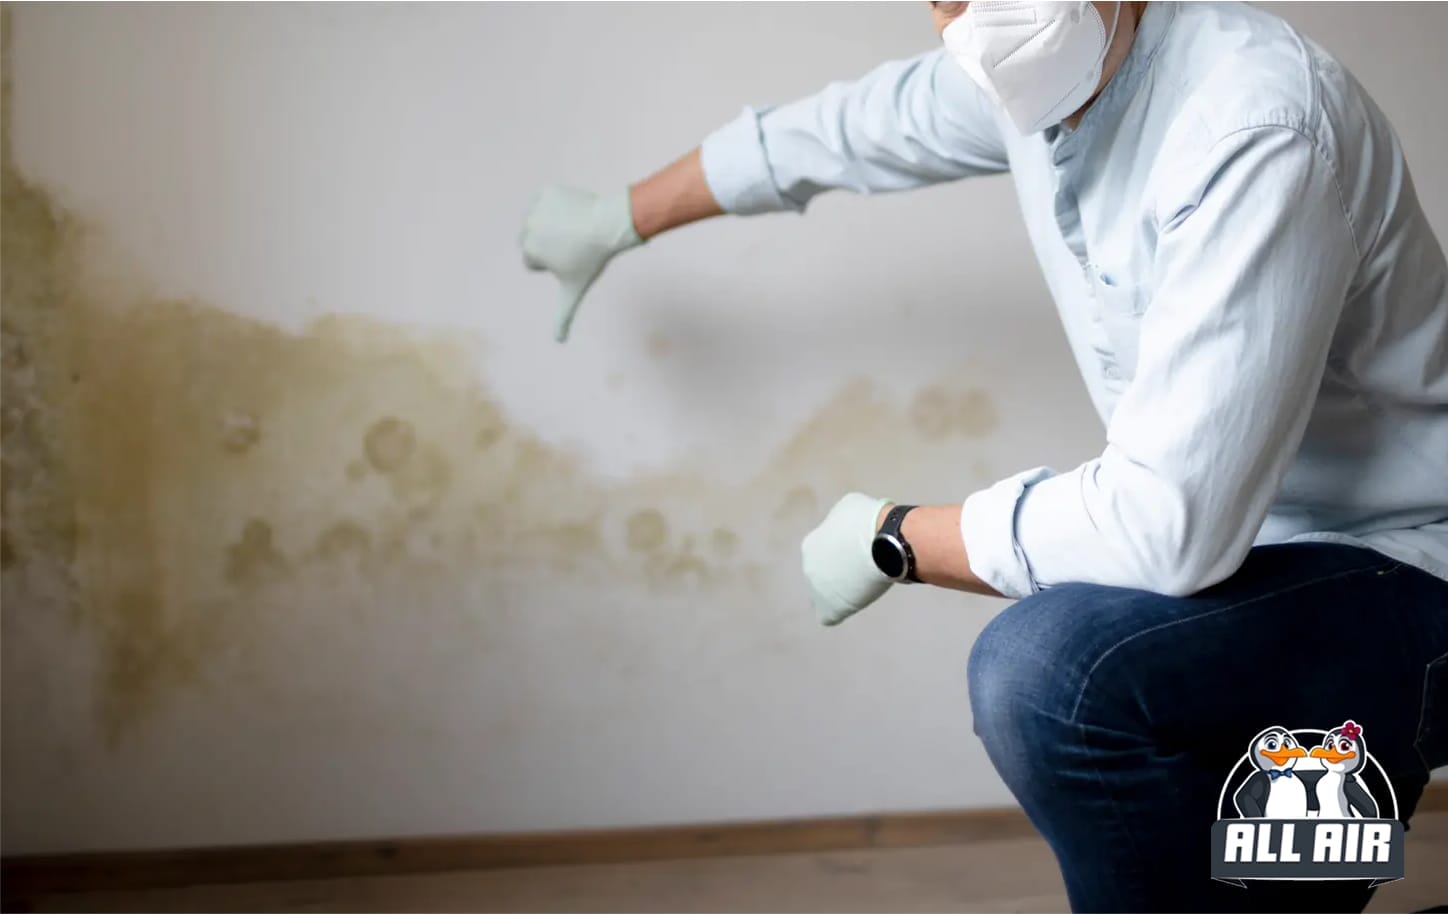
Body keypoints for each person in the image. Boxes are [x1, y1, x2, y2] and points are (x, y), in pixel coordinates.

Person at [520, 3, 1448, 910]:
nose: (974, 15)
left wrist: (895, 537)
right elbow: (841, 133)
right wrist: (619, 216)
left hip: (1407, 573)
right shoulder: (1034, 83)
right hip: (1251, 590)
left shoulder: (1254, 124)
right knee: (1256, 876)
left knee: (1051, 672)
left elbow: (1166, 529)